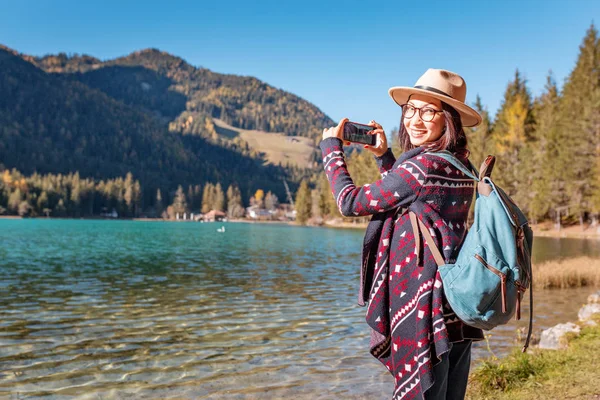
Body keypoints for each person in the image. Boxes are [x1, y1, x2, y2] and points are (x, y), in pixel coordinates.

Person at [320, 69, 485, 400]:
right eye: (410, 109)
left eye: (428, 111)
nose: (415, 120)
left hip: (424, 305)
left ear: (448, 119)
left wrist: (331, 149)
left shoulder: (420, 168)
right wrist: (384, 158)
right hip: (458, 302)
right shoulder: (461, 165)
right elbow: (414, 202)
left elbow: (349, 202)